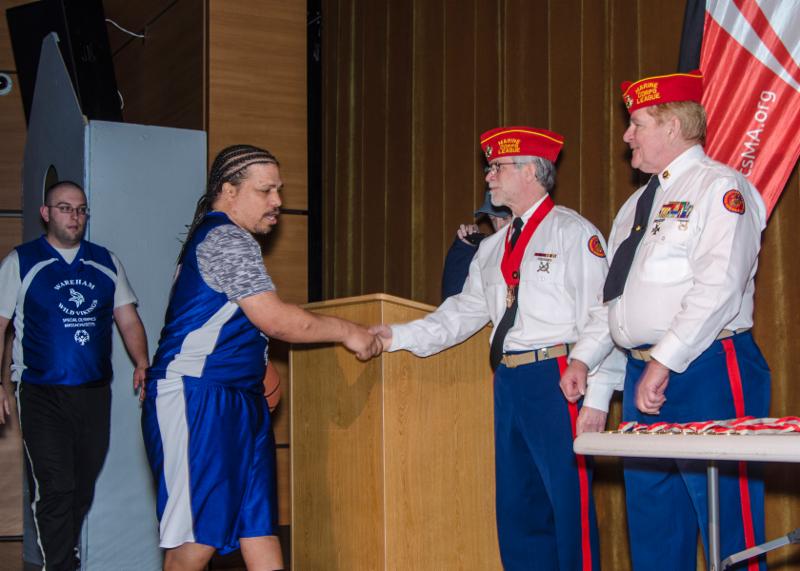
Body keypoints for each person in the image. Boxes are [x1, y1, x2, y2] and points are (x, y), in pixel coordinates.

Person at [371, 126, 623, 571]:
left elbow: (602, 314)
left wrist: (598, 396)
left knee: (569, 508)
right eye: (490, 167)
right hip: (508, 379)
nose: (488, 176)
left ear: (531, 172)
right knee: (518, 509)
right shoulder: (490, 249)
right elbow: (459, 315)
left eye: (497, 167)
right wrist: (394, 337)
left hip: (558, 377)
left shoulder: (573, 233)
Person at [141, 144, 382, 571]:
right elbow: (276, 320)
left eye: (279, 190)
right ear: (229, 191)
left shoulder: (232, 240)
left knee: (258, 529)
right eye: (265, 190)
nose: (278, 201)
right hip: (197, 396)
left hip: (241, 398)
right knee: (195, 542)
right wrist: (350, 332)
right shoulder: (225, 238)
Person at [581, 71, 769, 570]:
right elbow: (616, 304)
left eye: (637, 124)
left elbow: (720, 287)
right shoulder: (634, 207)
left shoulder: (719, 187)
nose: (627, 136)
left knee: (728, 526)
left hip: (708, 369)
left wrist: (665, 361)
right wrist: (590, 373)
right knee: (654, 526)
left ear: (673, 127)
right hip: (642, 372)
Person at [0, 181, 149, 571]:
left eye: (81, 209)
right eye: (65, 208)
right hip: (40, 392)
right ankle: (61, 564)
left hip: (94, 394)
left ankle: (66, 552)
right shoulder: (22, 262)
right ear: (46, 213)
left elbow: (128, 319)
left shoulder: (105, 261)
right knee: (55, 485)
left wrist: (142, 361)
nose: (75, 216)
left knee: (81, 486)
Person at [441, 191, 511, 299]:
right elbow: (454, 298)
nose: (498, 226)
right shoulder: (488, 248)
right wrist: (465, 249)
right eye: (492, 219)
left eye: (505, 218)